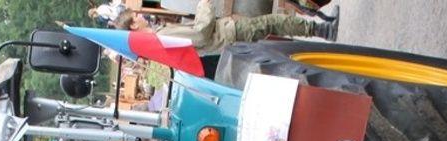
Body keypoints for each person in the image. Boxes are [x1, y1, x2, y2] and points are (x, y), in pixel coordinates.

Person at [115, 2, 336, 54]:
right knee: (273, 23)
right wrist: (204, 5)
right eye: (136, 16)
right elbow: (200, 33)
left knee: (272, 27)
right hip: (228, 33)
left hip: (227, 38)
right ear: (133, 25)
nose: (141, 15)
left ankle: (320, 29)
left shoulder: (160, 39)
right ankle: (322, 30)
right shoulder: (162, 35)